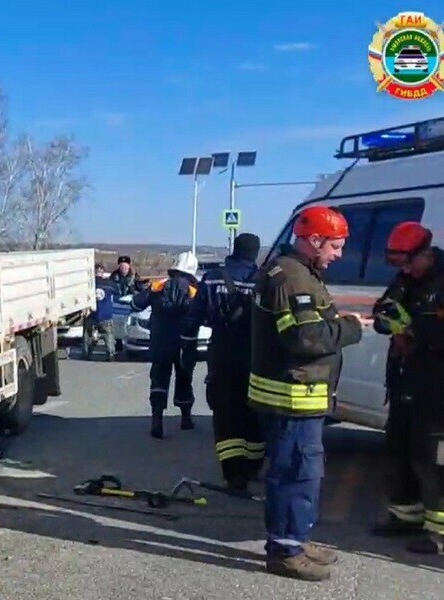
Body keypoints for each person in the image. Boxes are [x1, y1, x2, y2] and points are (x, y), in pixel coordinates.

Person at [249, 205, 368, 581]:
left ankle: (295, 540)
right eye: (335, 246)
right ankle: (286, 550)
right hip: (292, 396)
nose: (339, 254)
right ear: (314, 240)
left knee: (300, 472)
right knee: (297, 474)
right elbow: (304, 338)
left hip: (298, 393)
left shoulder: (298, 272)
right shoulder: (293, 278)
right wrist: (350, 328)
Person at [370, 221, 444, 554]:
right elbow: (382, 312)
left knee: (438, 460)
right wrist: (395, 324)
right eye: (397, 264)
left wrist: (415, 333)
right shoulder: (405, 280)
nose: (404, 270)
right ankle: (404, 516)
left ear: (425, 254)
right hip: (407, 381)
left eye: (407, 262)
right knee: (400, 449)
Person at [181, 233, 264, 492]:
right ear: (255, 253)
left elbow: (193, 317)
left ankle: (233, 475)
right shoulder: (263, 280)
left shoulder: (214, 277)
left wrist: (188, 349)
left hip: (222, 353)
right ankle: (252, 467)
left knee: (226, 414)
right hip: (255, 355)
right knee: (253, 413)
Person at [132, 251, 199, 439]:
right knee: (184, 379)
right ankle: (186, 418)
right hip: (185, 343)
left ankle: (157, 420)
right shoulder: (194, 291)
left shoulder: (159, 286)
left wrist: (147, 291)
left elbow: (136, 305)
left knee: (159, 379)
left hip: (160, 342)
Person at [84, 264, 117, 361]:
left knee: (88, 334)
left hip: (92, 314)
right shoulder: (109, 284)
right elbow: (118, 294)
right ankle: (110, 354)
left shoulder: (88, 284)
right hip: (106, 314)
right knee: (109, 334)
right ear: (102, 272)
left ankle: (87, 353)